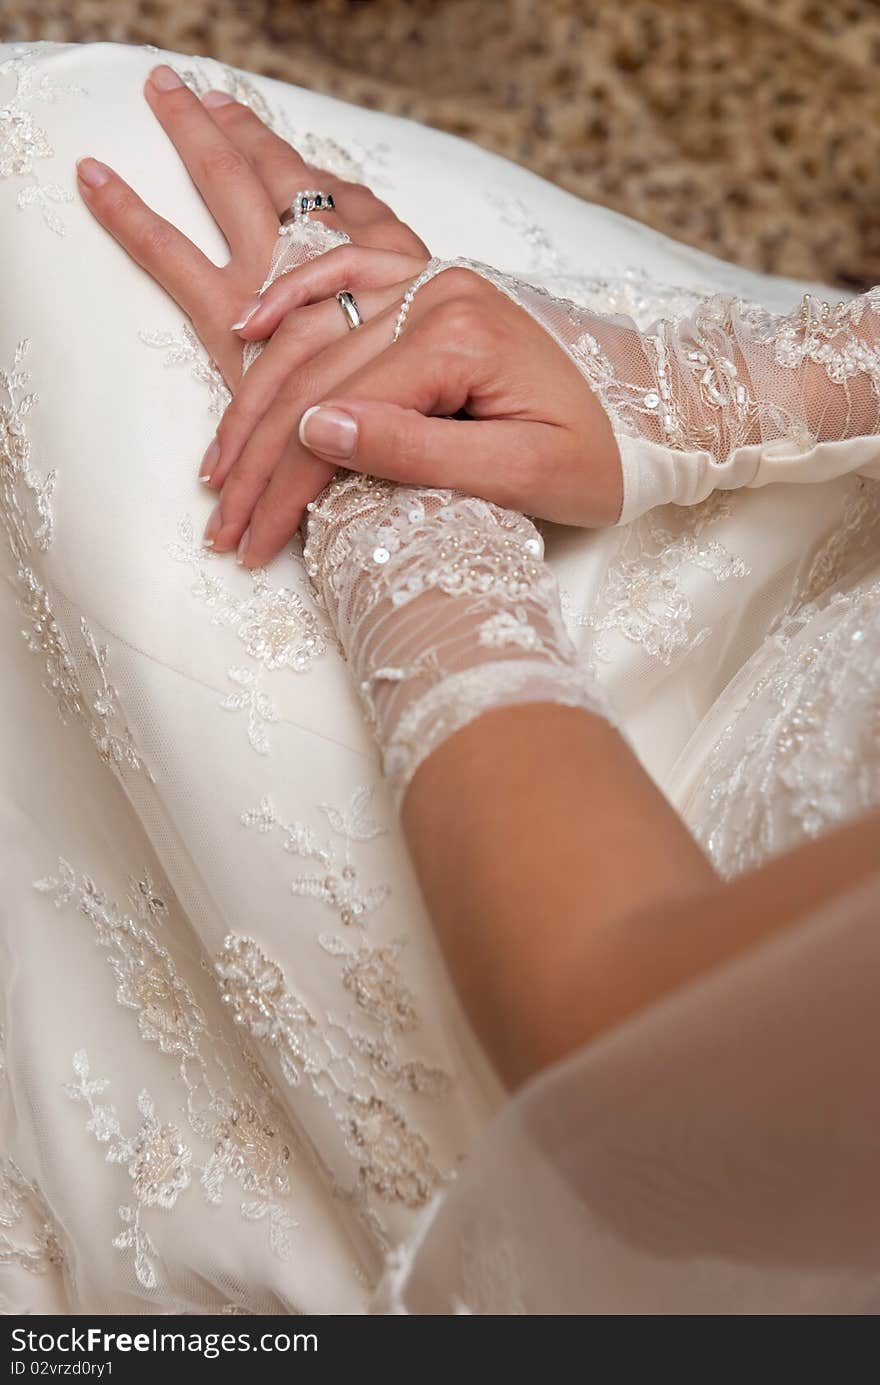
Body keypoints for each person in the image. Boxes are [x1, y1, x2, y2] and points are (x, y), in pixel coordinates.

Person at [0, 41, 877, 1315]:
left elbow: (639, 1092)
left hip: (590, 999)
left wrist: (399, 500)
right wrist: (730, 390)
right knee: (153, 163)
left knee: (48, 197)